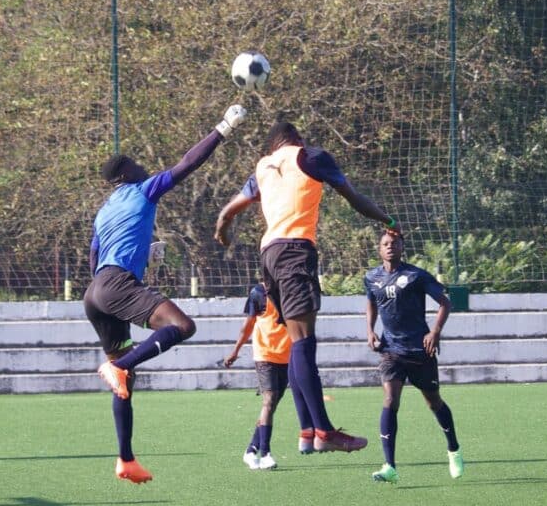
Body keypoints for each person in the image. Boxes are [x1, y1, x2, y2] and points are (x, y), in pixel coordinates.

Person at [215, 118, 399, 453]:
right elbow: (354, 198)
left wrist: (223, 229)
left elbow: (228, 211)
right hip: (295, 252)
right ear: (296, 139)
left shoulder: (264, 168)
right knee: (303, 343)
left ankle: (308, 431)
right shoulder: (311, 157)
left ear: (273, 146)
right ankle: (324, 432)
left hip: (268, 256)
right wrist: (388, 220)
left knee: (295, 343)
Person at [84, 104, 246, 483]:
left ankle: (125, 459)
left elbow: (95, 254)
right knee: (182, 326)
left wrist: (136, 259)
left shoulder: (104, 209)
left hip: (95, 292)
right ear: (126, 173)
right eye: (137, 165)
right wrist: (223, 128)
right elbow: (187, 165)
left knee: (126, 383)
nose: (144, 168)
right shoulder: (142, 188)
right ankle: (118, 366)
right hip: (116, 285)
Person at [365, 230, 463, 483]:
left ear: (402, 248)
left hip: (420, 350)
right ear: (379, 249)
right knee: (390, 400)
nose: (390, 247)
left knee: (433, 401)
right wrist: (370, 331)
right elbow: (372, 302)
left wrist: (435, 332)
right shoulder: (371, 277)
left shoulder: (415, 275)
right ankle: (389, 465)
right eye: (385, 244)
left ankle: (453, 449)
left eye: (394, 243)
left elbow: (445, 302)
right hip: (391, 351)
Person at [223, 280, 317, 470]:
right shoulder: (258, 292)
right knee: (269, 400)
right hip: (265, 354)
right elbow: (248, 325)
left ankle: (250, 450)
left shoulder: (294, 289)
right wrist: (235, 350)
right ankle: (265, 453)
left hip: (287, 355)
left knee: (271, 405)